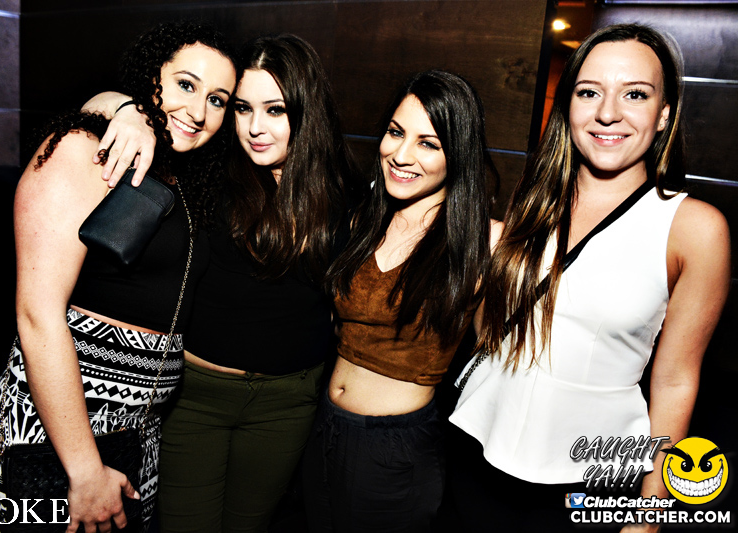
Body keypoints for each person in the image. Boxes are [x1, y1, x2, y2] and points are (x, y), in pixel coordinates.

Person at [449, 23, 731, 532]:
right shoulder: (532, 200)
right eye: (589, 92)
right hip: (478, 452)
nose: (608, 113)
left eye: (635, 94)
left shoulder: (694, 229)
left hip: (592, 479)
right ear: (568, 106)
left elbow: (675, 381)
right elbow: (493, 334)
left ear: (664, 114)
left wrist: (649, 514)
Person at [86, 34, 359, 532]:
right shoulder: (207, 168)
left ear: (307, 111)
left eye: (275, 110)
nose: (254, 127)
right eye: (241, 108)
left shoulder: (345, 193)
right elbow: (95, 104)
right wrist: (125, 110)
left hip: (287, 403)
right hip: (196, 397)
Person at [0, 21, 237, 532]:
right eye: (185, 84)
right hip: (54, 435)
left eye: (217, 100)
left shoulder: (175, 170)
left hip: (137, 433)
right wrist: (84, 469)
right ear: (150, 77)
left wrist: (126, 108)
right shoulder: (82, 149)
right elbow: (37, 315)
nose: (198, 111)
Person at [301, 70, 501, 533]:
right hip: (324, 426)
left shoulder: (485, 243)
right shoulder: (362, 222)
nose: (402, 154)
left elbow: (503, 354)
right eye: (395, 133)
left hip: (396, 449)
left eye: (428, 143)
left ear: (458, 153)